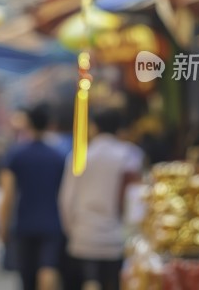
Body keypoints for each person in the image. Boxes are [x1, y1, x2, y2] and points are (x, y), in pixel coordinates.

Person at [58, 108, 144, 290]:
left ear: (94, 127)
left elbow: (66, 199)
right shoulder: (130, 155)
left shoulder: (79, 156)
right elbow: (135, 200)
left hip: (82, 234)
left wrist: (71, 230)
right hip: (116, 237)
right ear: (120, 128)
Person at [0, 102, 65, 290]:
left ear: (28, 124)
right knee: (48, 267)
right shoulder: (58, 157)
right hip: (53, 221)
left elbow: (8, 194)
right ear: (50, 124)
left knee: (26, 276)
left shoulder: (16, 155)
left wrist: (3, 226)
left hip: (24, 222)